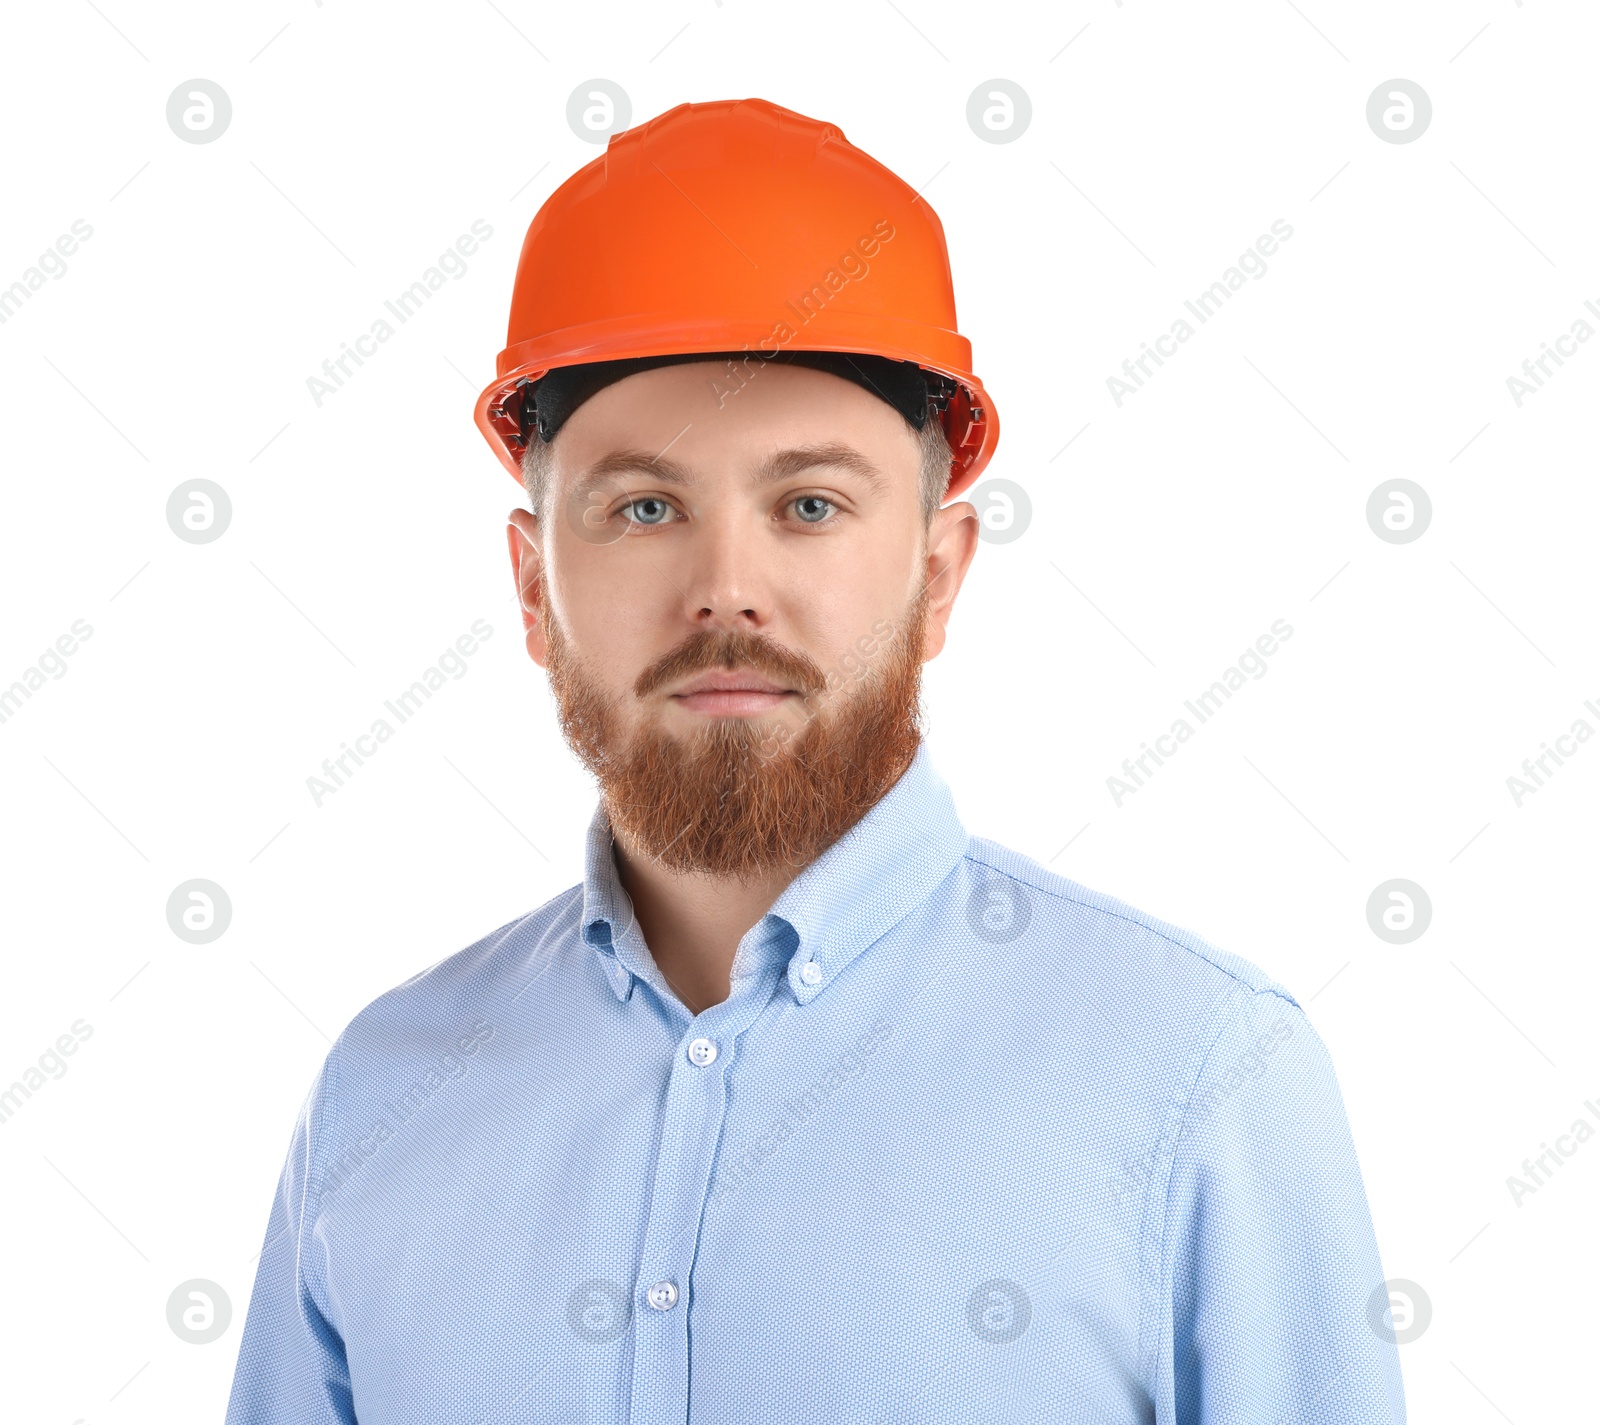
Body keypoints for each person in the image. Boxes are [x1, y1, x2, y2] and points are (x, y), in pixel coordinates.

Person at [226, 97, 1406, 1424]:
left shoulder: (1204, 1075)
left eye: (809, 505)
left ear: (940, 569)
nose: (726, 590)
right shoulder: (384, 1096)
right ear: (531, 583)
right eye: (646, 506)